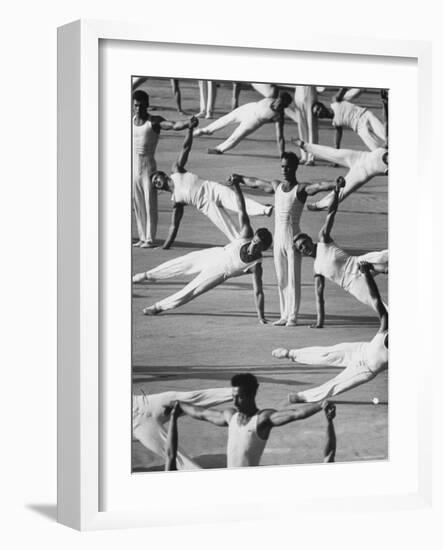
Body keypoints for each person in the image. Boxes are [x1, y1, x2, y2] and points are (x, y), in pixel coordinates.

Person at [133, 179, 273, 322]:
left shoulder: (256, 265)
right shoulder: (246, 234)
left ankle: (158, 307)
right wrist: (237, 185)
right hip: (215, 253)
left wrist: (261, 317)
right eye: (254, 242)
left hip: (219, 273)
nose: (253, 246)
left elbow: (259, 292)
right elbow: (241, 208)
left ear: (264, 248)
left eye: (258, 245)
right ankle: (146, 275)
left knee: (191, 291)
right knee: (181, 263)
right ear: (253, 237)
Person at [231, 154, 344, 326]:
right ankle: (284, 314)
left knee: (293, 279)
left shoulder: (300, 189)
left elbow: (319, 186)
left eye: (288, 167)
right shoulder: (276, 186)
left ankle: (293, 316)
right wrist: (239, 178)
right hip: (278, 240)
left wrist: (334, 184)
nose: (285, 170)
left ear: (295, 168)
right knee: (281, 278)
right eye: (283, 166)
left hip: (293, 239)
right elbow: (255, 182)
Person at [272, 262, 388, 403]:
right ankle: (290, 354)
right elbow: (376, 300)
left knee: (335, 384)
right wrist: (367, 274)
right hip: (362, 349)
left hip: (366, 368)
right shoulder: (388, 323)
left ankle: (302, 397)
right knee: (327, 353)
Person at [151, 117, 273, 248]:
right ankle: (242, 248)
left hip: (212, 188)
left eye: (156, 178)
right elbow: (174, 226)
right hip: (207, 207)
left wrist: (190, 129)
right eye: (154, 184)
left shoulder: (176, 170)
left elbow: (186, 148)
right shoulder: (176, 201)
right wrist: (165, 246)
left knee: (237, 201)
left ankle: (265, 209)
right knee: (229, 229)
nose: (156, 182)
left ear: (163, 174)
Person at [175, 373, 334, 467]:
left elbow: (295, 413)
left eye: (240, 398)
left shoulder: (262, 420)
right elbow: (202, 413)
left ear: (251, 396)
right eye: (234, 397)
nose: (235, 402)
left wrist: (320, 405)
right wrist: (180, 405)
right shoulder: (231, 416)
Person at [292, 177, 388, 326]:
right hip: (353, 285)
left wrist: (336, 191)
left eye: (304, 243)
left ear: (310, 240)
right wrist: (319, 322)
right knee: (383, 308)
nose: (304, 248)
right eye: (301, 248)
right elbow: (319, 296)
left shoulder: (323, 239)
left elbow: (331, 213)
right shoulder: (317, 269)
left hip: (359, 262)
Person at [132, 90, 191, 248]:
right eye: (136, 106)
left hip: (148, 167)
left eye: (141, 106)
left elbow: (172, 125)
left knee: (150, 203)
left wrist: (187, 123)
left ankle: (150, 239)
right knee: (138, 204)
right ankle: (142, 237)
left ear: (147, 105)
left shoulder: (154, 121)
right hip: (133, 167)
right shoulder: (130, 121)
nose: (138, 109)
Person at [132, 386, 233, 470]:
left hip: (141, 403)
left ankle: (244, 390)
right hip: (136, 424)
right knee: (181, 461)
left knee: (194, 397)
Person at [293, 137, 388, 211]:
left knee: (343, 190)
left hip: (363, 171)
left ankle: (320, 205)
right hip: (360, 156)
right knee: (334, 153)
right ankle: (305, 146)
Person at [193, 92, 292, 155]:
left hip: (254, 121)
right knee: (226, 119)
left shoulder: (279, 116)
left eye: (283, 105)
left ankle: (219, 149)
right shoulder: (271, 96)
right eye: (280, 102)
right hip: (249, 107)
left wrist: (282, 154)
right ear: (278, 99)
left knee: (236, 136)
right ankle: (206, 130)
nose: (280, 106)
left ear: (285, 106)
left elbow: (280, 137)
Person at [312, 90, 386, 151]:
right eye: (316, 113)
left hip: (365, 115)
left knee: (386, 136)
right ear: (319, 117)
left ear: (322, 105)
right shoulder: (335, 123)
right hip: (360, 129)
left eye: (318, 109)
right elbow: (338, 137)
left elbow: (343, 89)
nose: (319, 112)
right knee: (377, 151)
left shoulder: (335, 101)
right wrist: (336, 153)